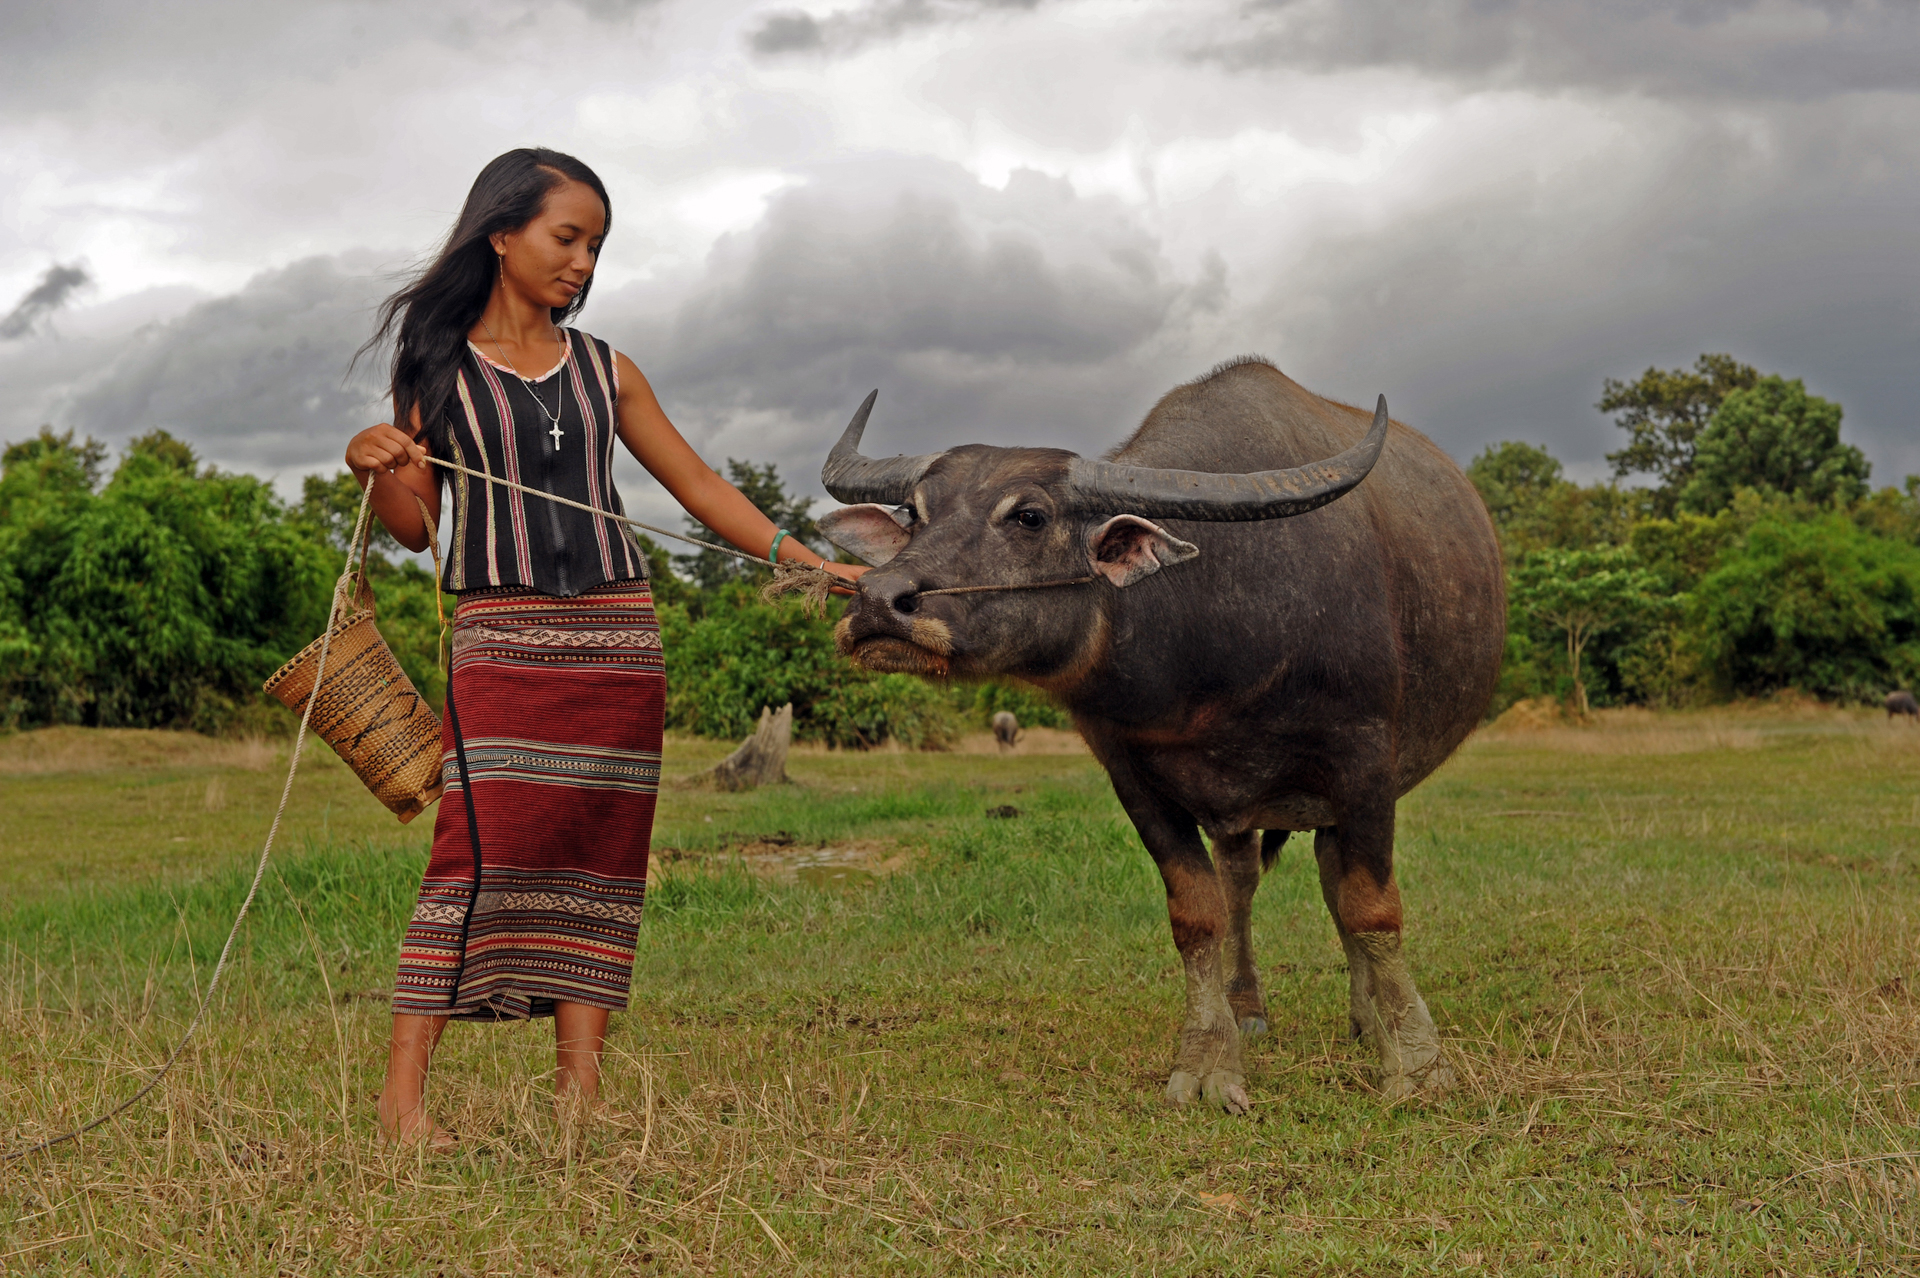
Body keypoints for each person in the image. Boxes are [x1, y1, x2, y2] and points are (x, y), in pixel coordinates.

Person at [345, 148, 862, 1146]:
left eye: (597, 247)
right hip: (499, 638)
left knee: (601, 856)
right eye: (566, 237)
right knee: (475, 856)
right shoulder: (438, 373)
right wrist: (374, 460)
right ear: (502, 233)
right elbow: (415, 526)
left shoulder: (606, 370)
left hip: (619, 637)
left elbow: (702, 491)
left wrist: (813, 564)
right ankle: (402, 1098)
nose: (582, 263)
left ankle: (579, 1091)